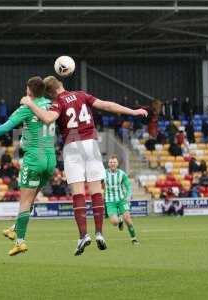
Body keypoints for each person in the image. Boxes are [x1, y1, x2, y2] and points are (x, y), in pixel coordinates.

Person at [20, 75, 147, 255]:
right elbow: (107, 105)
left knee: (78, 192)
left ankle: (83, 235)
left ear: (49, 93)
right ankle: (100, 233)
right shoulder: (81, 95)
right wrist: (133, 112)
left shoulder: (58, 102)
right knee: (96, 191)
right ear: (61, 84)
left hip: (72, 147)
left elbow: (48, 119)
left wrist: (30, 103)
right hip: (91, 144)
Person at [0, 76, 56, 256]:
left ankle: (20, 241)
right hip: (51, 159)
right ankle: (14, 228)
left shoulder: (26, 108)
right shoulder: (52, 105)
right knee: (31, 199)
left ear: (29, 91)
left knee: (24, 201)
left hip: (34, 158)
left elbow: (5, 127)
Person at [104, 155, 139, 245]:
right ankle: (120, 220)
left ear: (117, 164)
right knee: (114, 222)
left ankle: (134, 239)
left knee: (127, 218)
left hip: (121, 200)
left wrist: (128, 196)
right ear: (108, 164)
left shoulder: (122, 174)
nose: (112, 164)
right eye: (111, 162)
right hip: (110, 201)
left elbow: (128, 186)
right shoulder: (103, 174)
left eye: (114, 162)